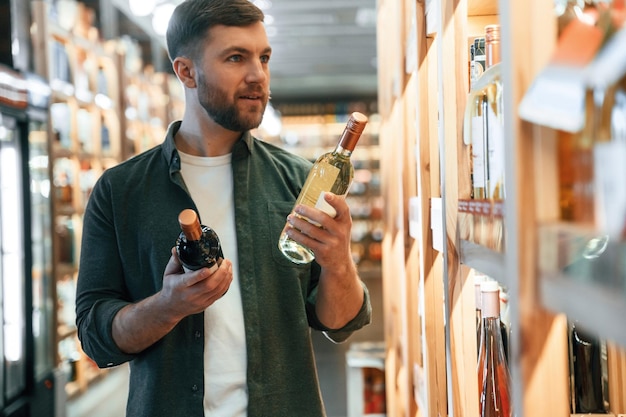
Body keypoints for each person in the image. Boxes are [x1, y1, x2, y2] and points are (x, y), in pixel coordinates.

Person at [74, 0, 372, 416]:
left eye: (263, 57)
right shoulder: (120, 191)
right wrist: (168, 305)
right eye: (236, 57)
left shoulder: (297, 180)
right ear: (186, 71)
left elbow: (340, 323)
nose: (258, 75)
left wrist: (339, 263)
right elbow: (94, 333)